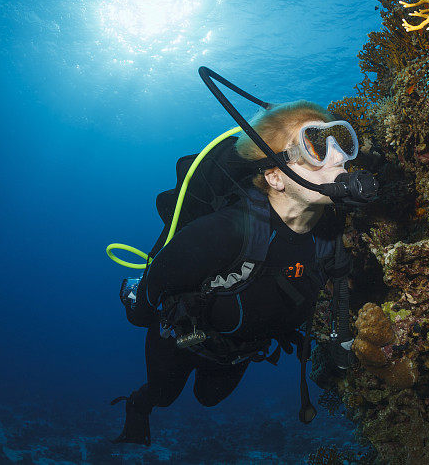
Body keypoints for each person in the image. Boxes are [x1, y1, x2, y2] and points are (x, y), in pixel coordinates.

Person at [112, 100, 360, 445]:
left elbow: (339, 290)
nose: (338, 158)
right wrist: (140, 308)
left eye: (341, 143)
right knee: (162, 395)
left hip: (239, 351)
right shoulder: (224, 232)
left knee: (209, 398)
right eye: (316, 147)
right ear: (275, 176)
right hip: (179, 339)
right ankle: (139, 406)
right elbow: (152, 291)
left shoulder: (330, 238)